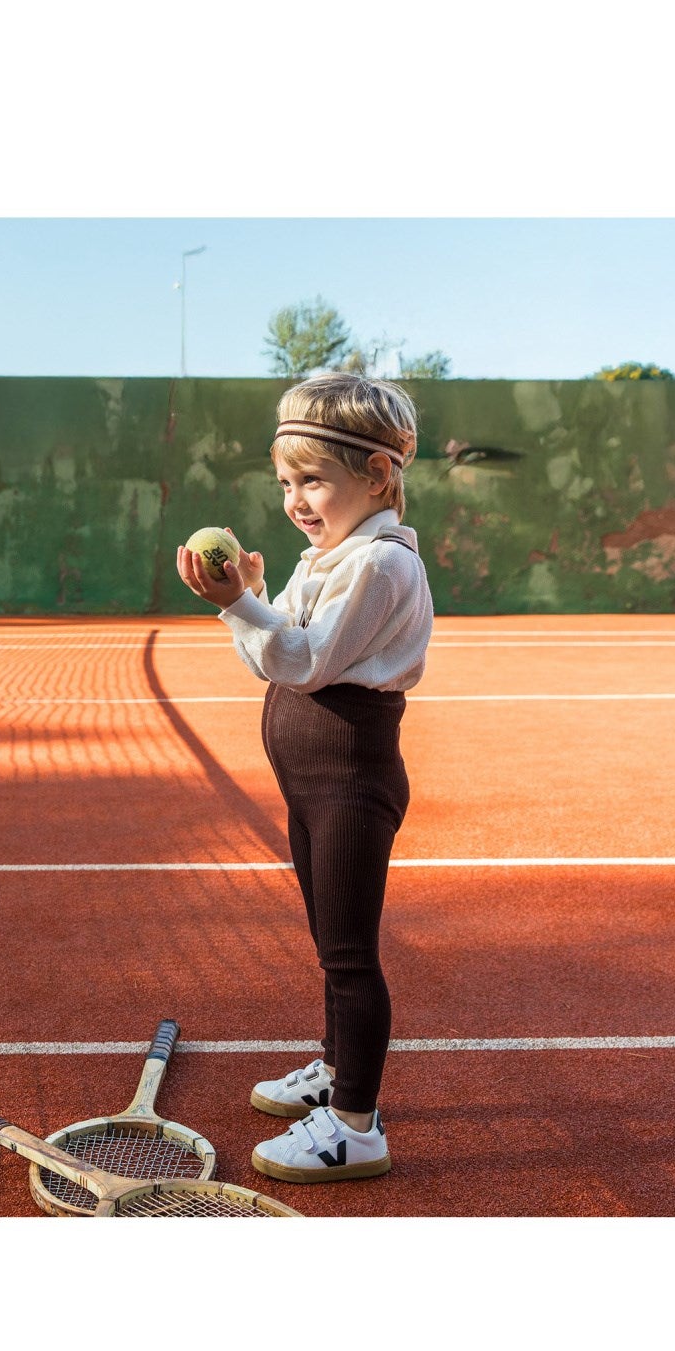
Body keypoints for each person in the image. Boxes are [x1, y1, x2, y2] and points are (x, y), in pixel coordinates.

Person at [175, 372, 434, 1183]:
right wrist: (251, 598)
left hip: (350, 781)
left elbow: (304, 659)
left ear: (378, 475)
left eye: (313, 481)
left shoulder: (380, 566)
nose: (295, 501)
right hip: (311, 784)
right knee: (330, 947)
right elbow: (272, 654)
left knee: (351, 956)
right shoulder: (327, 557)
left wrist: (239, 604)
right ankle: (336, 1070)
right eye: (286, 483)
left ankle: (356, 1126)